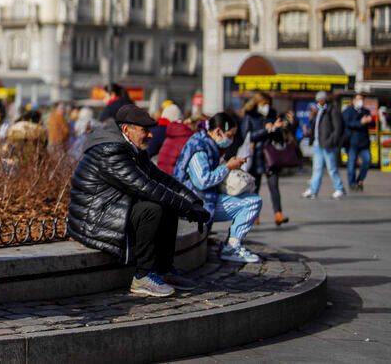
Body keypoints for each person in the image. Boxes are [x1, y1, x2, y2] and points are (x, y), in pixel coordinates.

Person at [68, 104, 207, 298]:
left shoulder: (130, 147)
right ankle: (142, 276)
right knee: (153, 209)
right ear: (127, 129)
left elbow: (161, 179)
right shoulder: (111, 151)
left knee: (166, 206)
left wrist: (193, 202)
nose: (150, 135)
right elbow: (145, 186)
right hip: (94, 217)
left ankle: (162, 270)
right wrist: (186, 208)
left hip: (114, 207)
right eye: (145, 130)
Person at [173, 113, 263, 263]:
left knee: (252, 200)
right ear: (218, 131)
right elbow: (203, 181)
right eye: (230, 135)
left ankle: (232, 244)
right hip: (195, 203)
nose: (231, 139)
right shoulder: (199, 148)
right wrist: (227, 167)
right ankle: (231, 247)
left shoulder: (206, 143)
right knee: (252, 203)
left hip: (202, 199)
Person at [239, 92, 289, 226]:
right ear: (257, 103)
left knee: (274, 186)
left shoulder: (273, 114)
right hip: (256, 156)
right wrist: (266, 130)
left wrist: (278, 128)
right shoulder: (250, 116)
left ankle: (278, 214)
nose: (267, 106)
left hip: (271, 156)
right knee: (255, 187)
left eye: (268, 104)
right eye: (264, 104)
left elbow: (278, 136)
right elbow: (247, 136)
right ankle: (255, 215)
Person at [302, 91, 346, 199]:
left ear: (324, 100)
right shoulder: (318, 111)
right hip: (318, 144)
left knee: (332, 168)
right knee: (316, 169)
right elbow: (316, 127)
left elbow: (338, 128)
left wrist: (331, 141)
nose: (318, 102)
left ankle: (339, 188)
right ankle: (313, 190)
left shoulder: (332, 110)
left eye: (319, 100)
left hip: (327, 144)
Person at [342, 93, 373, 192]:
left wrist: (369, 121)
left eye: (362, 99)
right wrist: (361, 122)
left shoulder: (366, 111)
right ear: (353, 100)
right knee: (351, 163)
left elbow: (372, 124)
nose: (360, 101)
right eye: (358, 99)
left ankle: (360, 180)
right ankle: (352, 184)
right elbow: (347, 123)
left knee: (367, 160)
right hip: (352, 142)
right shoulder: (348, 111)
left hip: (364, 142)